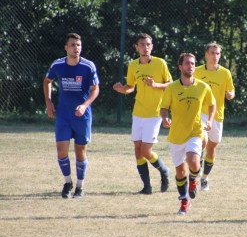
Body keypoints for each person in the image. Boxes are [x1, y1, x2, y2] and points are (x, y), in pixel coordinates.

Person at [113, 33, 172, 194]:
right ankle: (146, 187)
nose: (145, 47)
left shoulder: (160, 63)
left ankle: (164, 170)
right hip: (138, 112)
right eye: (142, 44)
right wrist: (121, 89)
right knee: (137, 150)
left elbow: (170, 85)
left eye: (148, 44)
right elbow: (130, 87)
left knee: (146, 151)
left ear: (152, 46)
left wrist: (155, 85)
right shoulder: (133, 65)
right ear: (136, 47)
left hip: (154, 113)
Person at [43, 33, 100, 199]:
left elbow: (95, 89)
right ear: (66, 47)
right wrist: (48, 102)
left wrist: (84, 105)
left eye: (79, 45)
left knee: (80, 152)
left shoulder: (88, 66)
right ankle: (68, 182)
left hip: (82, 116)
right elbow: (47, 81)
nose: (77, 48)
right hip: (64, 116)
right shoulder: (58, 65)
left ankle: (80, 187)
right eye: (73, 45)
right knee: (62, 151)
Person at [160, 53, 216, 214]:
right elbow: (163, 107)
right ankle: (185, 201)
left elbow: (212, 105)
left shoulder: (202, 87)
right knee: (180, 172)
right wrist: (165, 118)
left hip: (195, 131)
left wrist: (210, 120)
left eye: (192, 63)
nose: (190, 66)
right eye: (187, 63)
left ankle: (193, 180)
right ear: (180, 67)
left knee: (193, 162)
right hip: (176, 135)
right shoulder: (171, 88)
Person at [194, 42, 235, 191]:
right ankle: (194, 174)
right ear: (206, 54)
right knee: (202, 141)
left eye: (217, 54)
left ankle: (204, 178)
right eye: (212, 53)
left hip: (217, 115)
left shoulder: (225, 73)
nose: (215, 56)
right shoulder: (196, 72)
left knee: (212, 148)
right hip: (201, 113)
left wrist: (230, 95)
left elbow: (231, 90)